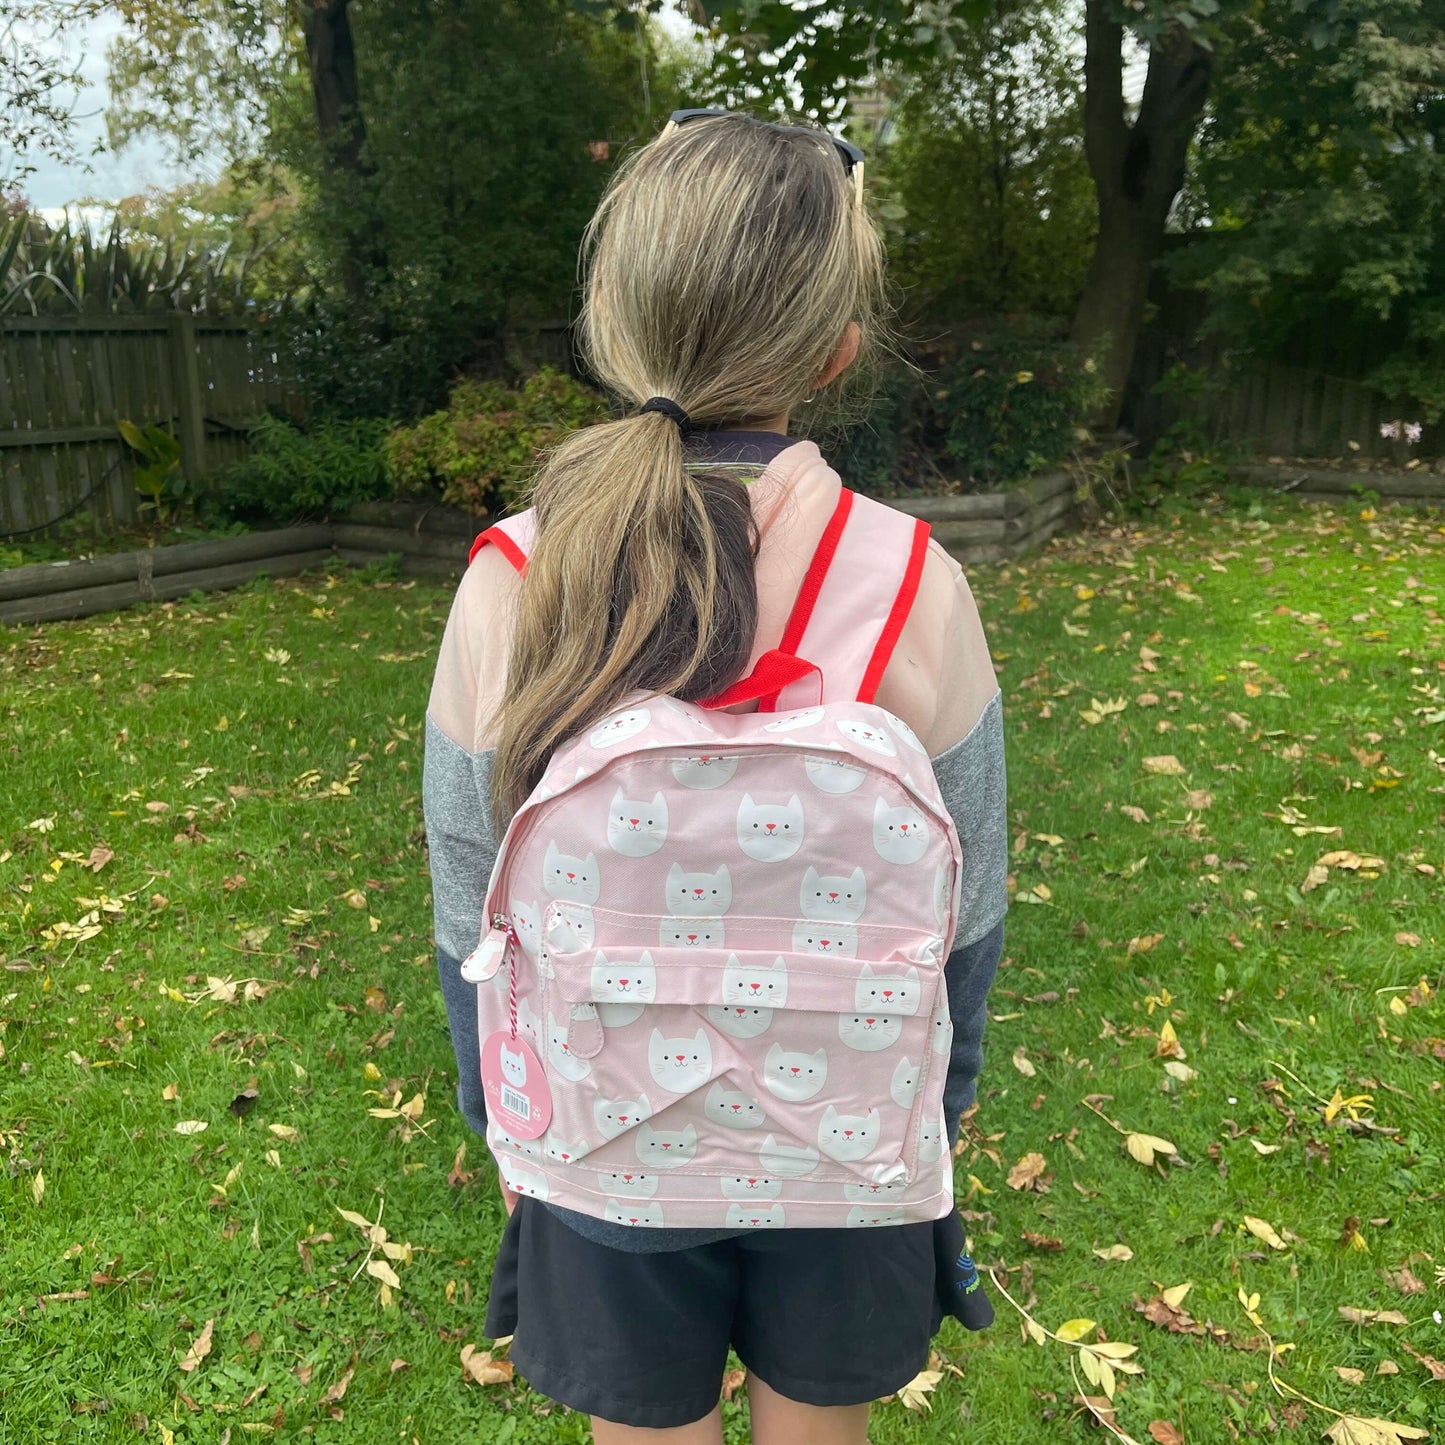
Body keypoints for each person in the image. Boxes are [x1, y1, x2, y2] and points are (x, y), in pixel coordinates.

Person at [424, 110, 1006, 1445]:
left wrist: (499, 1114)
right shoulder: (913, 578)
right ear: (837, 348)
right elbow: (968, 900)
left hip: (599, 1126)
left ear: (614, 322)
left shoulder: (514, 574)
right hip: (850, 1136)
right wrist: (943, 1096)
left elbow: (471, 891)